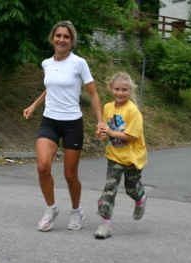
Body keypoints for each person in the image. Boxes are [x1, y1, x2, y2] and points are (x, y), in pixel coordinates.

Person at [23, 21, 103, 232]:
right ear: (52, 38)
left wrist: (100, 121)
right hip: (49, 121)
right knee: (42, 167)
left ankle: (77, 210)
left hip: (72, 124)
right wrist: (34, 105)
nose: (61, 39)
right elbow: (51, 88)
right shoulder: (46, 64)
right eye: (58, 35)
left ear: (71, 41)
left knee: (70, 175)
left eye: (66, 37)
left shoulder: (79, 63)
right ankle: (51, 209)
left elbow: (93, 94)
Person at [94, 72, 148, 239]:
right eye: (117, 89)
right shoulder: (108, 107)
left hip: (132, 157)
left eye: (124, 89)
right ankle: (105, 225)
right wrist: (101, 134)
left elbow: (132, 136)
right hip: (115, 155)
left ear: (130, 90)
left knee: (131, 189)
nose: (120, 93)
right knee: (110, 187)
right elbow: (104, 129)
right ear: (111, 88)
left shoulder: (133, 111)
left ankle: (140, 198)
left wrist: (111, 131)